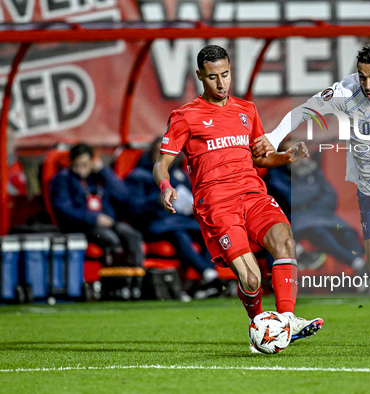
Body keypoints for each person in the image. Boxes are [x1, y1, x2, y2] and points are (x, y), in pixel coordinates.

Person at [253, 43, 370, 349]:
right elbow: (305, 110)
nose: (367, 84)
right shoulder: (346, 90)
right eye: (362, 76)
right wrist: (274, 138)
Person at [152, 45, 323, 352]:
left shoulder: (247, 111)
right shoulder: (185, 116)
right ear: (200, 76)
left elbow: (262, 158)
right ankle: (258, 327)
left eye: (226, 74)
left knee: (284, 240)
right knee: (252, 279)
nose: (221, 83)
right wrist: (165, 185)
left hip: (253, 194)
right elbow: (161, 162)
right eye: (213, 77)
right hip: (217, 204)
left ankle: (286, 320)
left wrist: (286, 157)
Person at [125, 138, 222, 297]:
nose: (161, 156)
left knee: (209, 233)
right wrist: (156, 201)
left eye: (166, 153)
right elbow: (133, 207)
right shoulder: (139, 175)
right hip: (154, 222)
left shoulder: (179, 174)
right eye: (158, 152)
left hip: (179, 220)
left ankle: (205, 281)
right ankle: (209, 276)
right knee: (180, 236)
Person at [50, 143, 144, 267]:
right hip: (82, 225)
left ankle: (136, 277)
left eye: (84, 165)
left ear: (92, 162)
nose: (80, 169)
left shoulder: (100, 176)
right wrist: (94, 218)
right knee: (110, 239)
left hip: (109, 223)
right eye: (76, 165)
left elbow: (124, 195)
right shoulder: (62, 179)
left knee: (132, 235)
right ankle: (114, 280)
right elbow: (64, 209)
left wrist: (104, 171)